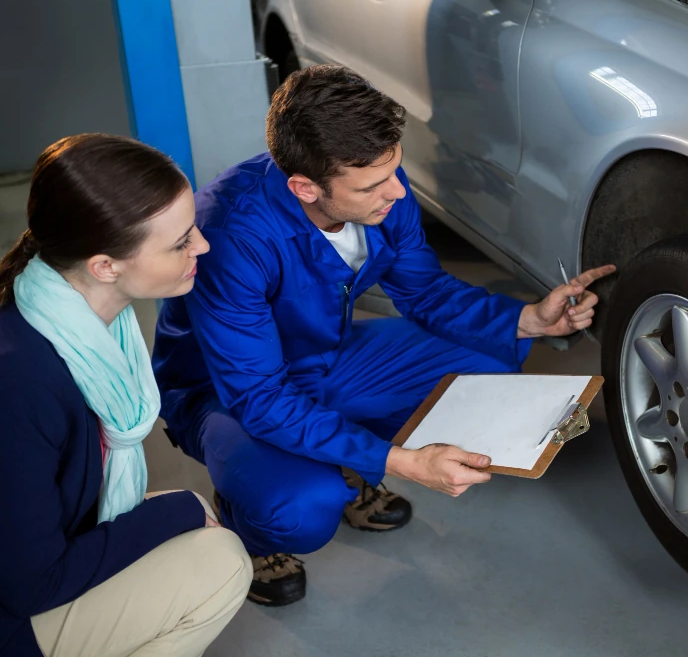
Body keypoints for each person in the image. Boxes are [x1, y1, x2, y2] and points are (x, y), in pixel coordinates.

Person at [152, 65, 616, 607]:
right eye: (373, 184)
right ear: (305, 187)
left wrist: (530, 320)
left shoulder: (379, 191)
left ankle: (345, 452)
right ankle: (251, 525)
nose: (397, 191)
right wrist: (402, 463)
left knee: (486, 360)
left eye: (395, 170)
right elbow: (258, 396)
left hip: (327, 358)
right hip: (227, 393)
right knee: (299, 509)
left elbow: (426, 292)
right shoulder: (233, 234)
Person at [0, 134, 252, 657]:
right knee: (220, 561)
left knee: (194, 523)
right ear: (105, 266)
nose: (201, 246)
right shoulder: (19, 385)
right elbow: (31, 585)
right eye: (180, 242)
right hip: (12, 612)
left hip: (35, 557)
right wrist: (177, 510)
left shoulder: (82, 322)